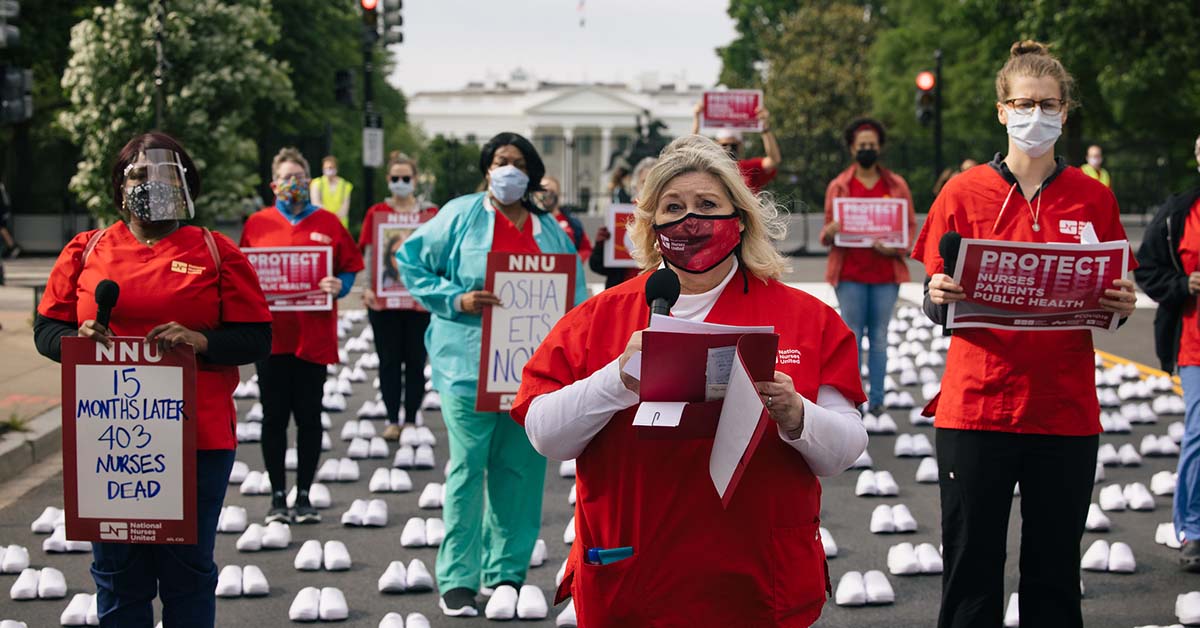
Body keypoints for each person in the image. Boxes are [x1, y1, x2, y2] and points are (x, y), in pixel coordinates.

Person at [513, 135, 868, 627]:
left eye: (707, 205)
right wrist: (618, 378)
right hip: (635, 579)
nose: (690, 220)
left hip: (756, 583)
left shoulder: (808, 319)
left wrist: (797, 414)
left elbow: (845, 449)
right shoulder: (600, 318)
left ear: (739, 220)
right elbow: (545, 434)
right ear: (652, 225)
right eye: (673, 207)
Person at [916, 41, 1137, 628]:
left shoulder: (1094, 198)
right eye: (1023, 103)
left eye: (1048, 104)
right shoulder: (962, 193)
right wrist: (936, 296)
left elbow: (1113, 300)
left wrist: (1122, 304)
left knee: (1054, 575)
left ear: (1065, 113)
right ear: (1001, 110)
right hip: (976, 408)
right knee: (970, 570)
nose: (1034, 115)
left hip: (1063, 411)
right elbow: (933, 297)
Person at [33, 132, 272, 627]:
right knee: (118, 576)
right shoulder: (87, 249)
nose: (148, 183)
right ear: (119, 185)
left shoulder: (215, 250)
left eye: (162, 173)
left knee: (187, 572)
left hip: (196, 441)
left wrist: (200, 341)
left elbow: (256, 338)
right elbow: (46, 329)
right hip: (108, 443)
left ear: (185, 182)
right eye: (137, 173)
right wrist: (76, 339)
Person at [397, 132, 589, 619]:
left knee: (522, 472)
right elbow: (409, 259)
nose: (509, 169)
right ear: (487, 168)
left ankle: (506, 573)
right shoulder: (459, 215)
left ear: (531, 172)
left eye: (518, 162)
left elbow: (578, 297)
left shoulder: (550, 230)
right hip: (465, 368)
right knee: (467, 468)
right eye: (501, 161)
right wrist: (454, 298)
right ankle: (458, 578)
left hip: (531, 375)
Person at [240, 147, 363, 525]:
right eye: (286, 178)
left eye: (299, 177)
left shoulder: (327, 223)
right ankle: (278, 496)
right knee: (274, 417)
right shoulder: (257, 224)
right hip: (272, 338)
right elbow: (243, 275)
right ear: (274, 183)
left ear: (308, 181)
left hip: (313, 336)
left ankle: (305, 494)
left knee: (310, 417)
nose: (293, 184)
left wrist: (337, 286)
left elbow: (349, 268)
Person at [1133, 132, 1200, 571]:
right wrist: (1184, 285)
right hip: (1195, 342)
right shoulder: (1181, 211)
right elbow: (1147, 268)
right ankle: (1193, 530)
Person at [819, 118, 916, 415]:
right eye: (862, 146)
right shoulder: (839, 186)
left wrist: (896, 246)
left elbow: (909, 229)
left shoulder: (896, 185)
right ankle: (853, 399)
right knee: (852, 337)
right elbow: (825, 235)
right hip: (849, 274)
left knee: (880, 337)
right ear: (852, 149)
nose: (867, 150)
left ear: (880, 148)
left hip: (886, 274)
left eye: (872, 146)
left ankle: (876, 400)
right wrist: (832, 231)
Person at [360, 151, 438, 442]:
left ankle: (410, 417)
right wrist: (369, 287)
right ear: (388, 180)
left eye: (407, 178)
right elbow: (371, 253)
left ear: (415, 180)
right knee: (389, 361)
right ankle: (393, 418)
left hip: (419, 303)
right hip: (384, 303)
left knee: (416, 361)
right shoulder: (377, 212)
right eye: (396, 178)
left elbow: (438, 253)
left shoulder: (429, 215)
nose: (401, 182)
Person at [590, 156, 655, 289]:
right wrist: (602, 246)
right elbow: (597, 266)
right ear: (635, 186)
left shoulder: (669, 217)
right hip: (623, 290)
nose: (648, 187)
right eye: (644, 182)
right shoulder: (620, 216)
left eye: (653, 182)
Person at [691, 99, 781, 193]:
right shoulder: (710, 170)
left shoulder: (749, 168)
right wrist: (697, 119)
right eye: (724, 145)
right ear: (717, 146)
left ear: (740, 146)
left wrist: (764, 127)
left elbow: (774, 160)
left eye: (733, 145)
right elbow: (690, 153)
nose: (729, 149)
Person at [537, 175, 592, 261]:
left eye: (551, 191)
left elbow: (585, 248)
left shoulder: (571, 221)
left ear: (558, 194)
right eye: (543, 191)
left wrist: (575, 262)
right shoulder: (531, 219)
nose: (547, 195)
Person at [310, 155, 355, 228]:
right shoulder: (316, 183)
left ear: (336, 168)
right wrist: (330, 218)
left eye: (331, 167)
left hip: (341, 226)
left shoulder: (345, 185)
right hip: (322, 224)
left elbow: (344, 208)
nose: (328, 170)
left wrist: (334, 219)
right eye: (326, 168)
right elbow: (316, 205)